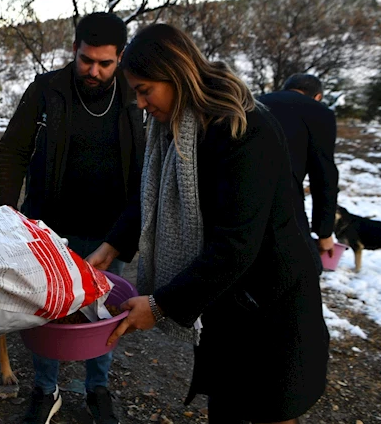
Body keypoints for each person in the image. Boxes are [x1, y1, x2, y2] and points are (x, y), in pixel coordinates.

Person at [88, 24, 329, 424]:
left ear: (176, 74)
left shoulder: (243, 129)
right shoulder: (175, 125)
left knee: (272, 409)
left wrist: (160, 304)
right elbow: (152, 193)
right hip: (225, 301)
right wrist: (112, 245)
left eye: (145, 90)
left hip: (272, 303)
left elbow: (237, 244)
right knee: (227, 404)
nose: (141, 103)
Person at [0, 12, 144, 424]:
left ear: (120, 58)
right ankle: (46, 389)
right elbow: (12, 151)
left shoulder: (134, 97)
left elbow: (145, 167)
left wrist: (129, 229)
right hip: (49, 227)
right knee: (47, 309)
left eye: (105, 63)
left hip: (109, 231)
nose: (94, 71)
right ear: (74, 49)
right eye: (86, 60)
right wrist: (7, 214)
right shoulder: (47, 89)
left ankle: (98, 388)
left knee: (103, 310)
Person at [257, 74, 339, 272]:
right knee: (305, 268)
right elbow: (324, 176)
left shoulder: (254, 102)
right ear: (318, 97)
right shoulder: (319, 112)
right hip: (284, 195)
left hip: (233, 191)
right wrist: (324, 232)